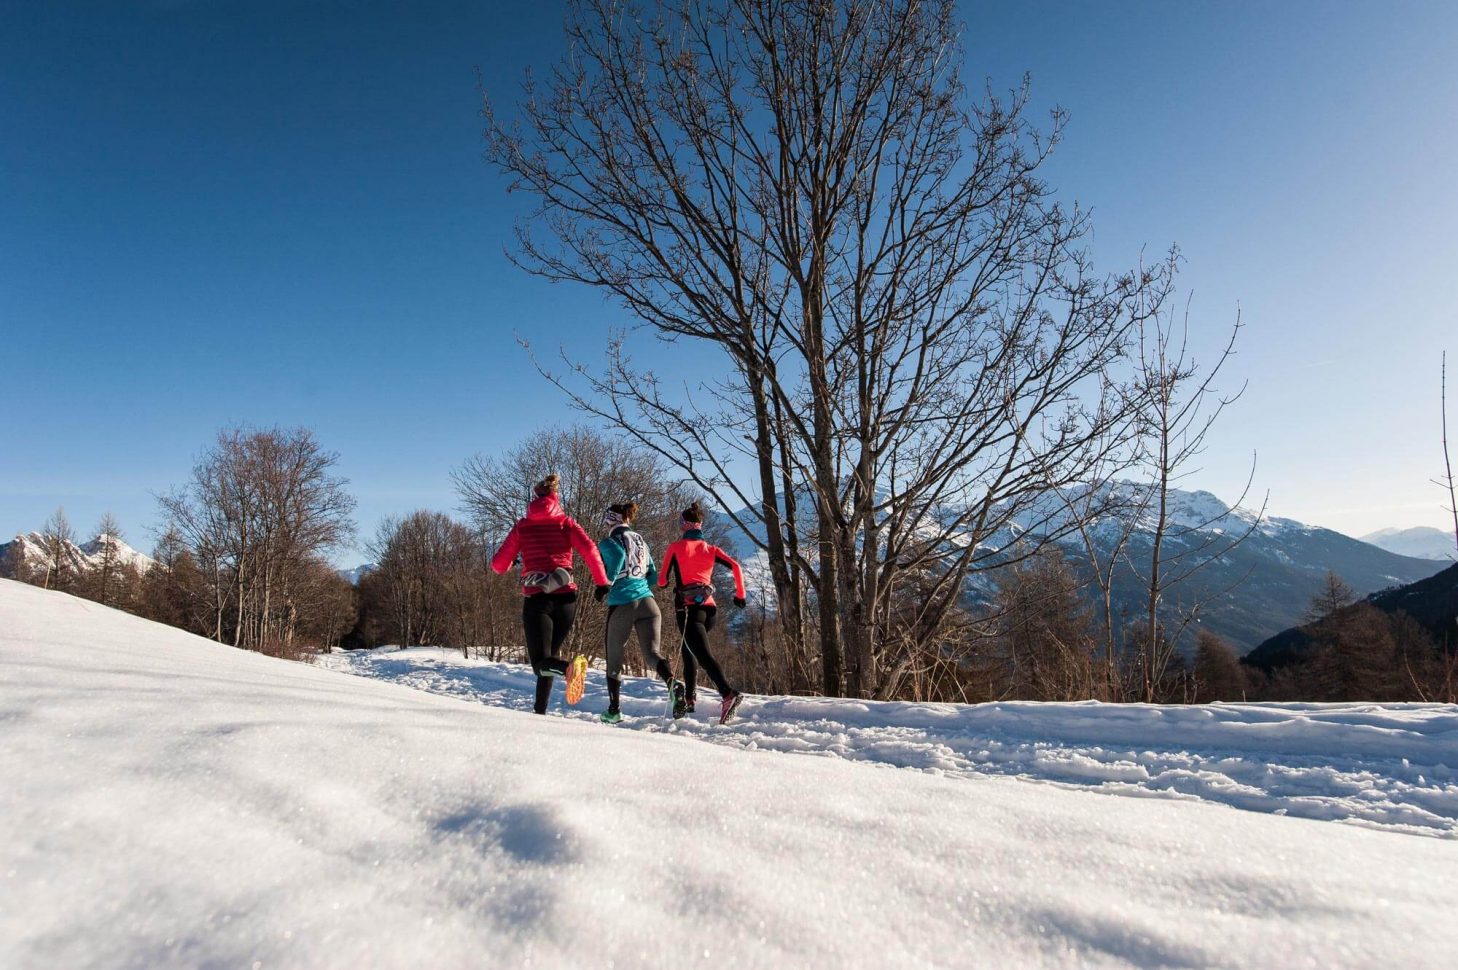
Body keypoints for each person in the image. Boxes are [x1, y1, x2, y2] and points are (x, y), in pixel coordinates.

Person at [490, 474, 610, 715]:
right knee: (549, 659)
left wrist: (514, 560)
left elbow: (497, 565)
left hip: (538, 600)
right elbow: (589, 549)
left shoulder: (523, 527)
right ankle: (540, 711)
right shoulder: (566, 523)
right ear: (556, 497)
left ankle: (568, 669)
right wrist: (601, 583)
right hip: (567, 599)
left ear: (535, 497)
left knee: (540, 664)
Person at [595, 502, 685, 723]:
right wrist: (639, 586)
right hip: (648, 603)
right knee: (653, 654)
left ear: (610, 520)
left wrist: (606, 584)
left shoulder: (608, 542)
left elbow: (616, 558)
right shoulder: (641, 541)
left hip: (622, 604)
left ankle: (614, 710)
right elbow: (653, 574)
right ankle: (673, 684)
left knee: (614, 659)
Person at [658, 501, 747, 723]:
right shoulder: (711, 549)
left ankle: (728, 693)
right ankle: (689, 698)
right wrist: (740, 596)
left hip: (688, 610)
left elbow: (661, 582)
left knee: (703, 655)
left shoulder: (675, 548)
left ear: (684, 525)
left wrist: (667, 580)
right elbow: (736, 566)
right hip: (710, 610)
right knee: (690, 652)